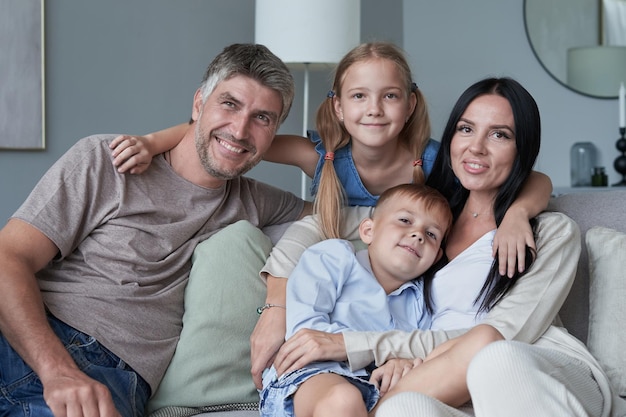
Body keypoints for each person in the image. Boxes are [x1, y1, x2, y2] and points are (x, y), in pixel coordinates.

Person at [108, 43, 552, 387]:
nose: (374, 109)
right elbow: (235, 135)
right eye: (359, 96)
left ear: (410, 104)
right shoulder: (322, 158)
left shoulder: (435, 162)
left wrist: (517, 215)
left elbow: (535, 178)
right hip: (342, 284)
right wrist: (151, 141)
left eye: (389, 96)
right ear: (338, 106)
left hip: (400, 291)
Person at [265, 77, 616, 416]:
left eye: (499, 134)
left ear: (522, 149)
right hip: (444, 380)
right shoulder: (431, 223)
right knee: (403, 410)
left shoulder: (551, 232)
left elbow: (503, 335)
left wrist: (520, 212)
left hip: (537, 366)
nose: (476, 147)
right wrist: (276, 304)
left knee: (491, 354)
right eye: (466, 129)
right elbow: (322, 222)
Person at [0, 43, 312, 417]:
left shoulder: (258, 202)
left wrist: (302, 153)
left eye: (263, 118)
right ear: (199, 104)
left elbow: (355, 209)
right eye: (229, 104)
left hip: (109, 372)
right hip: (27, 334)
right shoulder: (106, 159)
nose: (241, 129)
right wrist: (57, 371)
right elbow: (8, 257)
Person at [259, 183, 455, 417]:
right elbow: (305, 330)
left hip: (377, 388)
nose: (418, 235)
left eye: (431, 234)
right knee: (343, 400)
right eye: (405, 220)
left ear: (435, 259)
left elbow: (419, 349)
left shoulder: (422, 301)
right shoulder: (335, 256)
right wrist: (379, 352)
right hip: (311, 373)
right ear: (368, 231)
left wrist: (403, 362)